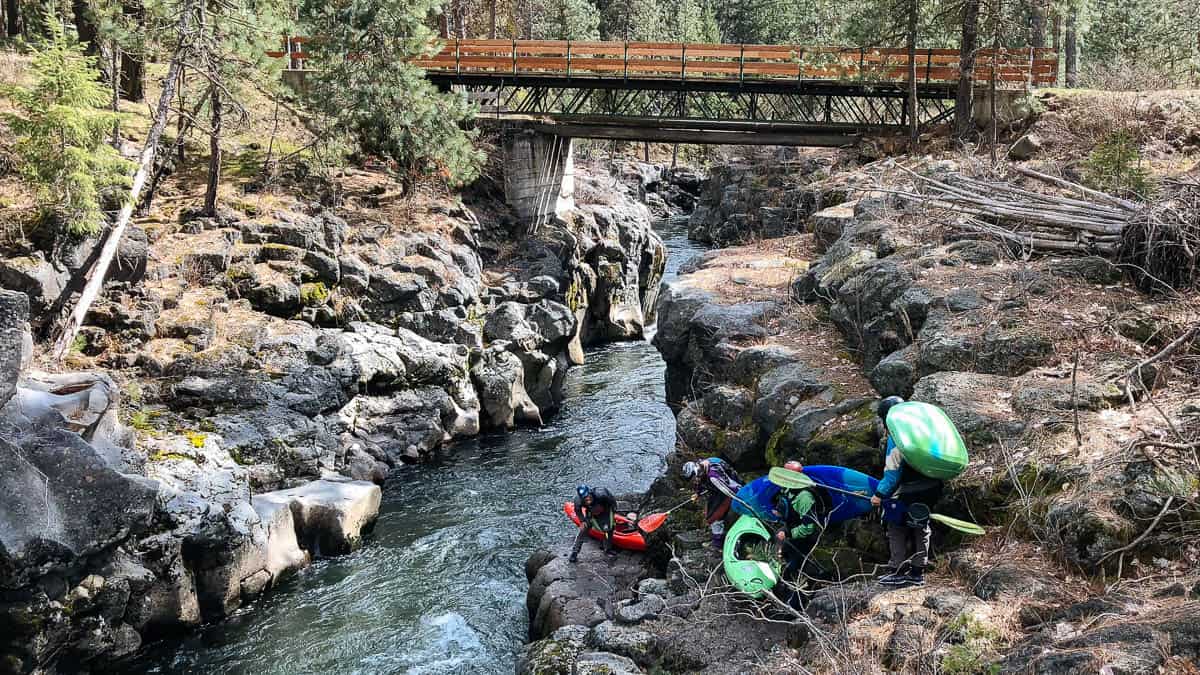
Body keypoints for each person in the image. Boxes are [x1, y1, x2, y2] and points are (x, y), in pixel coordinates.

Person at [869, 396, 944, 588]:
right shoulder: (925, 432)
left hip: (907, 492)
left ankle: (897, 571)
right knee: (921, 526)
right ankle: (918, 572)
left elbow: (892, 475)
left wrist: (879, 495)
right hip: (933, 489)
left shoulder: (897, 440)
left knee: (896, 528)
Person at [772, 461, 831, 609]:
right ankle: (783, 596)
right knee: (786, 563)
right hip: (792, 533)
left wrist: (788, 533)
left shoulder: (805, 497)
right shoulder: (787, 489)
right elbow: (786, 506)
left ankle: (796, 606)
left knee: (797, 569)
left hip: (805, 539)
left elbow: (809, 527)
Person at [683, 457, 744, 547]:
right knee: (711, 513)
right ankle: (719, 535)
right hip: (717, 490)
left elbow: (731, 488)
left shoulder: (714, 476)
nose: (695, 481)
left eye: (694, 478)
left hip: (727, 491)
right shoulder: (703, 466)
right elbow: (700, 482)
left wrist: (743, 498)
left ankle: (718, 542)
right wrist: (698, 493)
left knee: (713, 517)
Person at [570, 484, 617, 563]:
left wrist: (611, 515)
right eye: (585, 499)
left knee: (608, 529)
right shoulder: (578, 500)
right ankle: (575, 552)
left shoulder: (602, 495)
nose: (588, 500)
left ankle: (607, 548)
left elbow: (612, 502)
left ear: (590, 493)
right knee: (583, 530)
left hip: (604, 511)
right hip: (591, 513)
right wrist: (582, 521)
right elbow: (577, 510)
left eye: (588, 497)